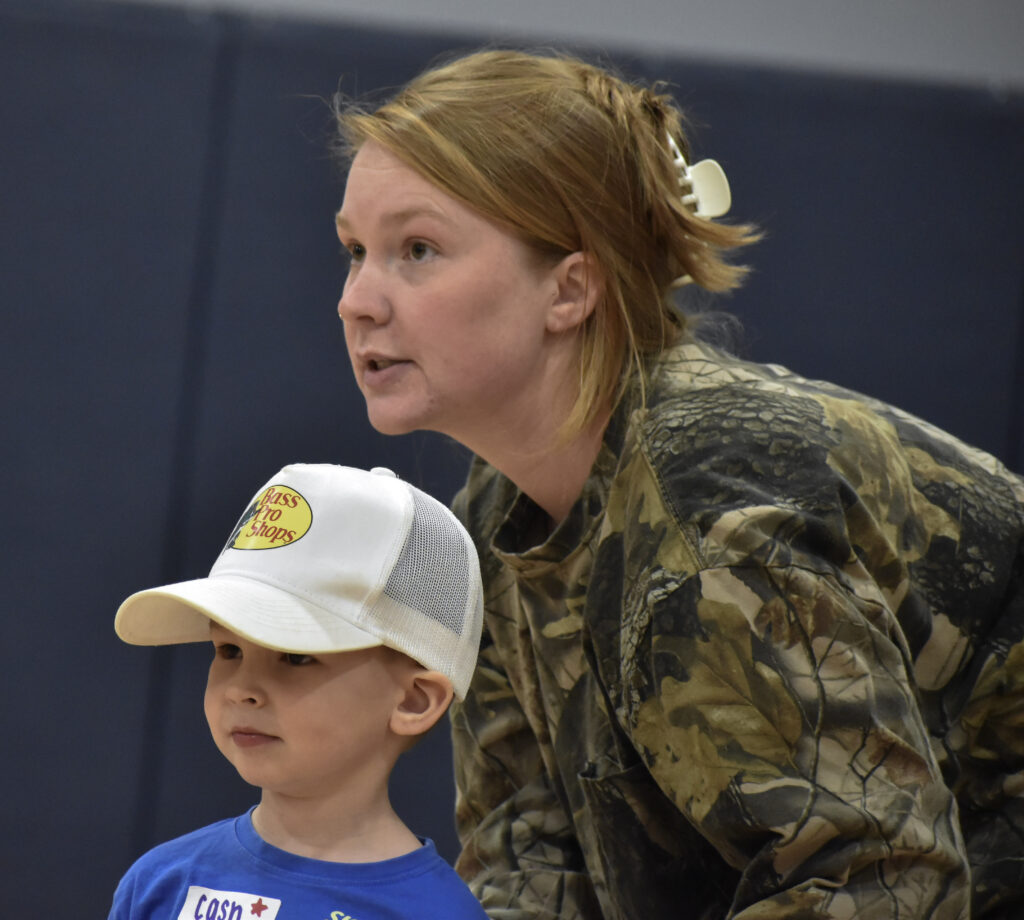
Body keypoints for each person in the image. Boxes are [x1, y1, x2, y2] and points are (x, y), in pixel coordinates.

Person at [331, 49, 1024, 920]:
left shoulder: (712, 496)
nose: (357, 298)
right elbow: (531, 859)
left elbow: (880, 882)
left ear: (570, 289)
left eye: (417, 249)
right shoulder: (495, 511)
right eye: (355, 250)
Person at [108, 463, 489, 920]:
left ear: (414, 700)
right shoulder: (161, 882)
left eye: (296, 656)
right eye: (229, 650)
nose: (243, 689)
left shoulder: (439, 915)